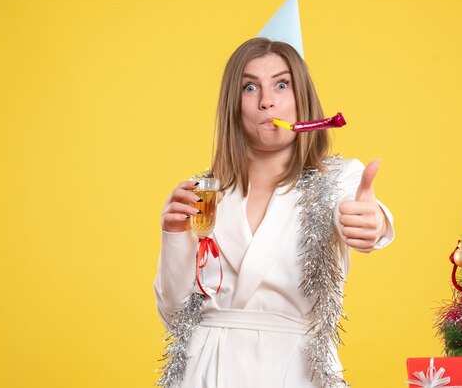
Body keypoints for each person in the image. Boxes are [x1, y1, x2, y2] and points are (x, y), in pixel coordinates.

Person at [154, 37, 394, 388]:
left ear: (303, 99)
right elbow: (176, 316)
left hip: (296, 374)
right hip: (205, 374)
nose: (267, 101)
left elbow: (363, 213)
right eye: (250, 87)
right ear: (233, 106)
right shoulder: (204, 194)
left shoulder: (339, 180)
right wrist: (174, 233)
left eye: (282, 84)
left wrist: (374, 224)